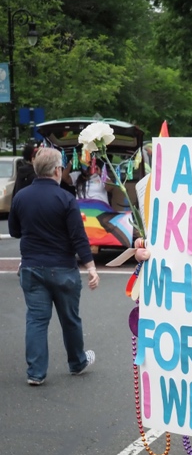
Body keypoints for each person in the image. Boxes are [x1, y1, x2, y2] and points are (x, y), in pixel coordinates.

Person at [8, 147, 99, 386]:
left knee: (36, 320)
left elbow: (14, 231)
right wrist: (91, 267)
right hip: (63, 268)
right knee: (70, 318)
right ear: (57, 170)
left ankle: (36, 373)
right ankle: (77, 362)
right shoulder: (66, 198)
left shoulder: (21, 197)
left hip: (31, 267)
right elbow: (78, 237)